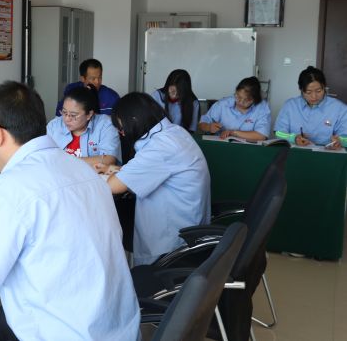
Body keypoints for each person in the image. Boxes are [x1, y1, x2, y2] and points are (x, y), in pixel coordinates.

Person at [0, 81, 140, 340]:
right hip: (118, 329)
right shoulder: (83, 169)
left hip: (67, 334)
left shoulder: (11, 188)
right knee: (3, 319)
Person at [100, 92, 210, 265]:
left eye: (122, 128)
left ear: (134, 120)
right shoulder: (173, 132)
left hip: (173, 243)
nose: (123, 134)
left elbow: (112, 186)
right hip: (188, 224)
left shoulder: (160, 146)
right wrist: (121, 170)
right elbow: (156, 169)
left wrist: (105, 175)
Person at [46, 85, 120, 167]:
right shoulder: (54, 126)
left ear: (89, 114)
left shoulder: (105, 125)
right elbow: (45, 157)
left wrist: (66, 161)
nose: (67, 119)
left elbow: (109, 159)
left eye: (73, 115)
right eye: (64, 112)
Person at [274, 66, 347, 149]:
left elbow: (346, 138)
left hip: (327, 153)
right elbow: (278, 132)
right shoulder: (290, 106)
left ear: (324, 87)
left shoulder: (339, 109)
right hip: (296, 152)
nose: (314, 96)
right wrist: (293, 138)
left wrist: (341, 141)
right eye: (308, 92)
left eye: (318, 91)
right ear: (301, 90)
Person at [199, 76, 272, 141]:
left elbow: (261, 136)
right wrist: (208, 127)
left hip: (250, 148)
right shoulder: (223, 104)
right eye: (238, 97)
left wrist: (233, 132)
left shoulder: (262, 107)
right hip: (222, 145)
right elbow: (203, 122)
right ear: (236, 92)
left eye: (246, 100)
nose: (241, 102)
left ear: (255, 100)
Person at [55, 58, 120, 117]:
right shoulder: (71, 91)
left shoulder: (112, 96)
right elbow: (59, 117)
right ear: (83, 78)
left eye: (100, 77)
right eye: (93, 78)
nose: (97, 82)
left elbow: (118, 121)